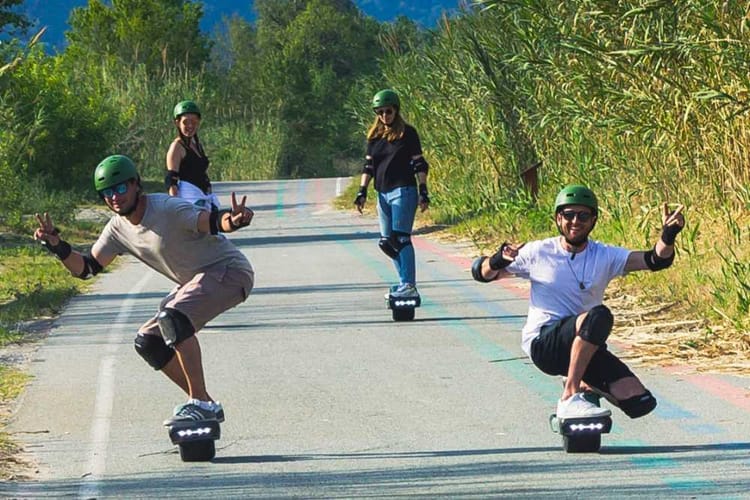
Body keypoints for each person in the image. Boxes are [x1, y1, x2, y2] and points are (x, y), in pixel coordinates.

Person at [33, 155, 254, 424]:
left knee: (173, 318)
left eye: (120, 188)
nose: (115, 197)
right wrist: (58, 247)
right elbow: (87, 268)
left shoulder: (168, 208)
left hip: (229, 271)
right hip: (195, 281)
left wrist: (235, 219)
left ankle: (198, 403)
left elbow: (212, 222)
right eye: (107, 192)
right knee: (149, 341)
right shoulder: (117, 228)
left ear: (136, 184)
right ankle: (205, 402)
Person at [471, 184, 685, 420]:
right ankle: (570, 395)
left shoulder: (604, 255)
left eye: (583, 215)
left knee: (640, 403)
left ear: (593, 220)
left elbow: (654, 260)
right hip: (545, 344)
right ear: (557, 218)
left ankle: (585, 382)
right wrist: (499, 259)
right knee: (599, 315)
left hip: (586, 344)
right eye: (568, 215)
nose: (575, 221)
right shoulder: (538, 252)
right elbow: (481, 273)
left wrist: (668, 234)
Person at [354, 89, 430, 298]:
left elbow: (419, 163)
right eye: (380, 112)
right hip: (383, 193)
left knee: (402, 239)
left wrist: (423, 190)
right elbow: (368, 166)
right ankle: (403, 282)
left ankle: (409, 284)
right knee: (387, 242)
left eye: (388, 111)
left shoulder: (408, 133)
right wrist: (362, 191)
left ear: (396, 110)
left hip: (404, 191)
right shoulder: (374, 136)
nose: (385, 116)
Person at [165, 100, 220, 211]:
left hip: (204, 197)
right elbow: (171, 180)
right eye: (185, 122)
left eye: (194, 122)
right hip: (190, 200)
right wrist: (175, 209)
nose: (190, 125)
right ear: (177, 122)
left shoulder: (196, 145)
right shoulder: (177, 147)